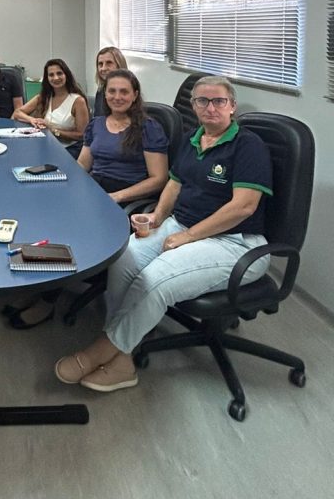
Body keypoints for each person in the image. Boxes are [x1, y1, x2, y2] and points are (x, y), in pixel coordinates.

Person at [55, 76, 273, 393]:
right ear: (193, 106)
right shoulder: (193, 139)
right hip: (180, 225)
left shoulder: (248, 146)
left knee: (154, 279)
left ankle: (104, 349)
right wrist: (157, 217)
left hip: (234, 242)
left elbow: (243, 207)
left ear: (232, 107)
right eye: (202, 101)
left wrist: (189, 236)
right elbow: (174, 183)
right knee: (123, 259)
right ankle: (123, 352)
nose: (210, 107)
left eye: (219, 101)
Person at [79, 69, 168, 204]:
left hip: (127, 195)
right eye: (112, 91)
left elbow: (159, 179)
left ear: (135, 95)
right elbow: (83, 164)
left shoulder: (149, 128)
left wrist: (117, 196)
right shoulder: (95, 124)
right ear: (105, 94)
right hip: (95, 188)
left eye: (124, 92)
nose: (117, 97)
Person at [12, 58, 90, 157]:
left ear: (66, 75)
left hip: (69, 149)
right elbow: (17, 113)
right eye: (51, 75)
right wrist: (32, 120)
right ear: (47, 78)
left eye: (59, 73)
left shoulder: (78, 101)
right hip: (46, 145)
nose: (56, 78)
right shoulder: (44, 97)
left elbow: (82, 135)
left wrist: (53, 130)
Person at [93, 46, 128, 117]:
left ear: (119, 65)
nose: (103, 68)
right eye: (100, 64)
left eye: (109, 63)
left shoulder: (129, 91)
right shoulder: (100, 90)